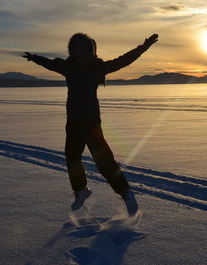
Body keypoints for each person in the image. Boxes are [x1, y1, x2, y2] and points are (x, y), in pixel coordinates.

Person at [23, 33, 158, 216]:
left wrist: (143, 47)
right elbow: (50, 63)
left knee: (104, 162)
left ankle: (126, 194)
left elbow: (124, 60)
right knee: (72, 159)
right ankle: (81, 191)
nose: (80, 53)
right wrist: (35, 58)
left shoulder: (98, 68)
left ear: (91, 51)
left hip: (91, 123)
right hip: (73, 122)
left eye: (84, 49)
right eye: (76, 49)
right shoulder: (68, 67)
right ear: (72, 51)